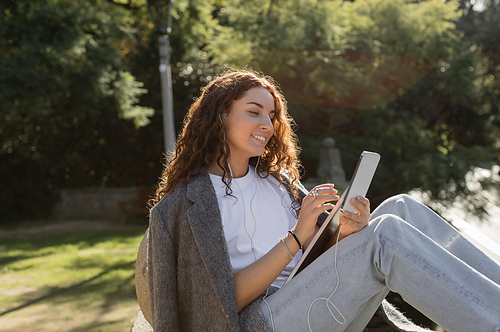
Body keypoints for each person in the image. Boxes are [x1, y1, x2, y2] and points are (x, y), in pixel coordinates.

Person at [147, 69, 500, 332]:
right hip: (261, 321)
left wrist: (347, 235)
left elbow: (318, 258)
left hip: (309, 298)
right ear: (220, 116)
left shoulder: (277, 182)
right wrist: (297, 237)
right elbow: (220, 301)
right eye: (254, 112)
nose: (267, 124)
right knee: (387, 234)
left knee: (399, 208)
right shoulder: (186, 206)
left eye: (271, 115)